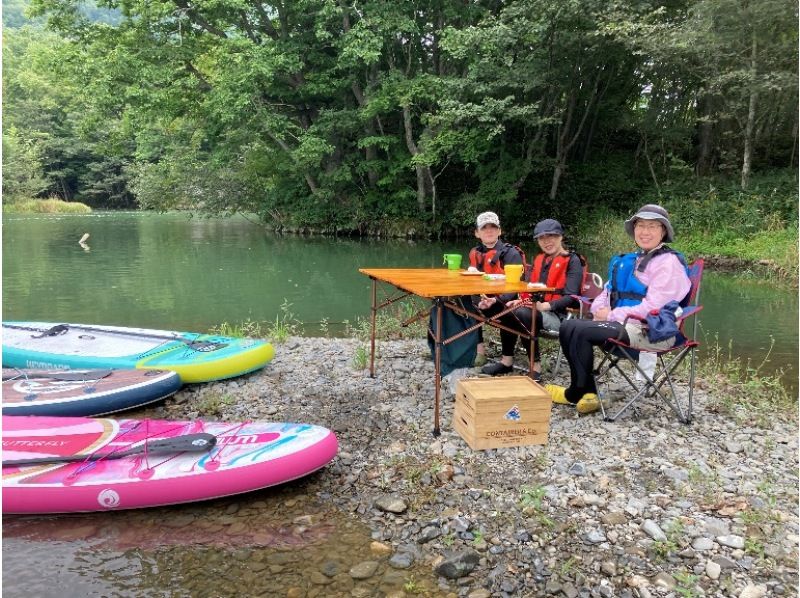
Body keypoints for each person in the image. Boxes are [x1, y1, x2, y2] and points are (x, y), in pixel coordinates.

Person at [545, 204, 691, 414]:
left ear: (664, 231)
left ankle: (577, 393)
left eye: (652, 226)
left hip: (651, 331)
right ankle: (586, 392)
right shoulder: (630, 260)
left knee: (582, 331)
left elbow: (653, 307)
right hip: (622, 325)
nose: (645, 232)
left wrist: (611, 315)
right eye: (641, 225)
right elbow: (607, 291)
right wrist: (600, 309)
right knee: (569, 326)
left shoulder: (668, 263)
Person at [481, 219, 583, 381]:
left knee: (522, 313)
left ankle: (535, 367)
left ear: (561, 237)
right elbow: (530, 289)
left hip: (560, 317)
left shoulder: (573, 261)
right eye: (542, 238)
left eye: (552, 236)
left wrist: (546, 306)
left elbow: (571, 297)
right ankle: (506, 361)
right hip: (536, 310)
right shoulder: (540, 260)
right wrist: (518, 300)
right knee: (508, 308)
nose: (547, 241)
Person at [468, 211, 524, 367]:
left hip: (505, 301)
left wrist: (496, 300)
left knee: (508, 310)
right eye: (484, 228)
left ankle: (507, 358)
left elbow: (516, 286)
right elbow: (473, 282)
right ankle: (479, 351)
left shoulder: (511, 253)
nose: (489, 231)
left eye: (493, 227)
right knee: (460, 301)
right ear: (477, 233)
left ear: (500, 231)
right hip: (483, 299)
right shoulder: (475, 252)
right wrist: (479, 299)